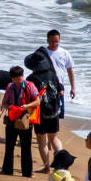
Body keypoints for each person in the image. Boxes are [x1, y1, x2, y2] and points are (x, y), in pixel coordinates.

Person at [35, 29, 76, 169]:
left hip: (58, 93)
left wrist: (73, 87)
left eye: (57, 41)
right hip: (44, 92)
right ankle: (56, 164)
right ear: (47, 40)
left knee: (50, 133)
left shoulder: (64, 53)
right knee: (49, 134)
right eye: (52, 41)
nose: (55, 43)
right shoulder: (42, 53)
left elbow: (70, 71)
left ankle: (56, 163)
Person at [0, 65, 38, 177]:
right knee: (9, 146)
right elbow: (4, 101)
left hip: (25, 120)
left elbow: (37, 101)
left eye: (20, 76)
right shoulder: (10, 86)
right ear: (12, 78)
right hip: (12, 118)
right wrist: (7, 107)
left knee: (26, 147)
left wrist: (26, 106)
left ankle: (27, 173)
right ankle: (7, 170)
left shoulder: (30, 86)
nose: (18, 79)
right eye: (16, 77)